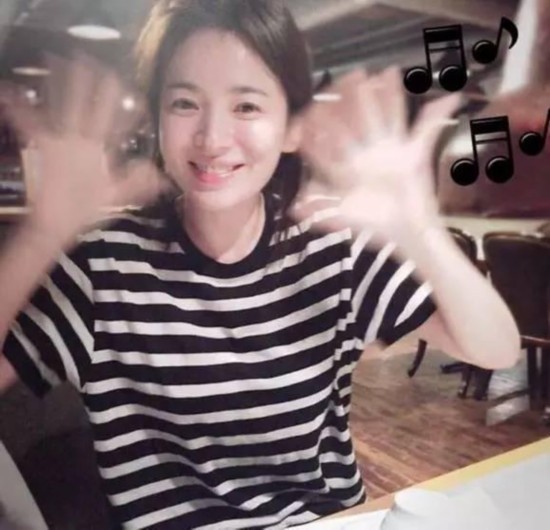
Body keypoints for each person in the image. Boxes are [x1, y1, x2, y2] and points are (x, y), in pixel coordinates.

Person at [0, 0, 521, 528]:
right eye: (184, 103)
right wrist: (44, 232)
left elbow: (495, 348)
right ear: (157, 118)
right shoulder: (107, 265)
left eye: (246, 106)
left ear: (291, 127)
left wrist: (420, 227)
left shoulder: (332, 246)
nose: (212, 138)